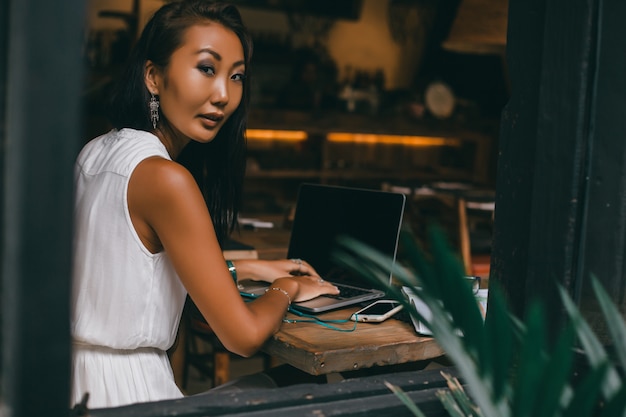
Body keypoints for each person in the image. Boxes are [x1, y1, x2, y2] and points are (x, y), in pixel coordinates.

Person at [71, 0, 339, 409]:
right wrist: (289, 287)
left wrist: (241, 268)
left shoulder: (96, 152)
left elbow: (128, 271)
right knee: (316, 388)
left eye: (237, 77)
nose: (224, 95)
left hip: (70, 382)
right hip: (127, 395)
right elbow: (243, 336)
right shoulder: (166, 178)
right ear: (154, 76)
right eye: (207, 69)